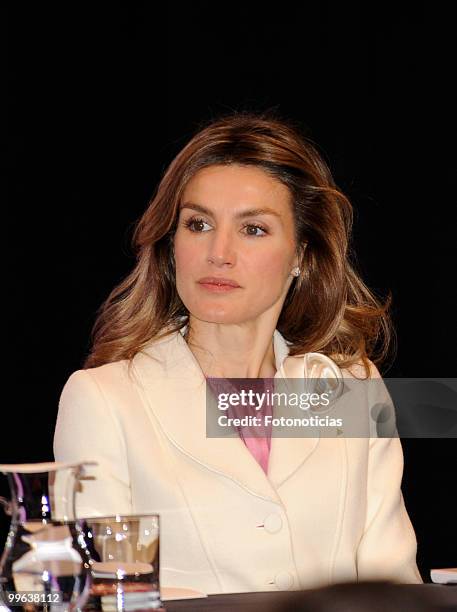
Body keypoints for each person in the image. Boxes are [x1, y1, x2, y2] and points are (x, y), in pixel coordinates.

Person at [53, 111, 423, 595]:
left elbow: (391, 589)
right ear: (171, 245)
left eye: (253, 229)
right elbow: (106, 597)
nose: (218, 252)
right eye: (198, 223)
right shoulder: (104, 399)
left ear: (300, 256)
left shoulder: (352, 389)